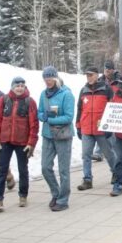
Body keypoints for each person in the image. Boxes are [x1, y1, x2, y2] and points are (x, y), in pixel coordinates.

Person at [0, 76, 39, 210]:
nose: (20, 88)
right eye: (17, 86)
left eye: (22, 86)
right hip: (5, 141)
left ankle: (23, 195)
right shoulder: (3, 100)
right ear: (12, 87)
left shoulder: (30, 102)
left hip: (22, 143)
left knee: (23, 170)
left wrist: (31, 143)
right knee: (2, 170)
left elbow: (34, 124)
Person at [38, 66, 75, 211]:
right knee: (45, 167)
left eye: (50, 78)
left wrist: (51, 120)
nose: (48, 81)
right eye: (45, 79)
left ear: (56, 78)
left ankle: (63, 200)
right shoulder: (43, 94)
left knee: (63, 170)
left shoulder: (66, 94)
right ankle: (56, 192)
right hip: (48, 135)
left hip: (63, 136)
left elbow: (69, 117)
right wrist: (43, 116)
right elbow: (40, 112)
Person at [76, 67, 114, 191]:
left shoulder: (106, 89)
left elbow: (112, 108)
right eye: (87, 75)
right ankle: (87, 179)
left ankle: (116, 173)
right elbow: (79, 109)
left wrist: (110, 126)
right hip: (86, 128)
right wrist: (78, 126)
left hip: (101, 129)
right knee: (86, 155)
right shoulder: (83, 90)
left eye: (91, 75)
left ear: (97, 75)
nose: (89, 77)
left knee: (108, 153)